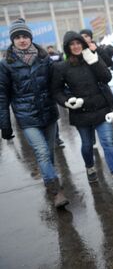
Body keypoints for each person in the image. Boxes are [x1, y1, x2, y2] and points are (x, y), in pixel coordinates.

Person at [0, 18, 69, 209]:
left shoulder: (43, 58)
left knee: (48, 153)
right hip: (26, 117)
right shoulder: (6, 64)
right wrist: (4, 124)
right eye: (18, 37)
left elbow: (56, 84)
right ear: (12, 40)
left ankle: (49, 181)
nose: (22, 40)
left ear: (30, 38)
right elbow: (2, 96)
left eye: (25, 36)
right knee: (41, 151)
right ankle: (56, 191)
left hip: (48, 113)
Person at [51, 31, 113, 190]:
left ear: (83, 43)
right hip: (81, 112)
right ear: (67, 47)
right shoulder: (61, 67)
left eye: (78, 43)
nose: (76, 46)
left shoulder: (92, 58)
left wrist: (93, 60)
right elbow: (56, 91)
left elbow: (107, 77)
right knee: (87, 145)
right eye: (72, 44)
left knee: (108, 142)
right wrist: (67, 102)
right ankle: (89, 166)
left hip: (102, 109)